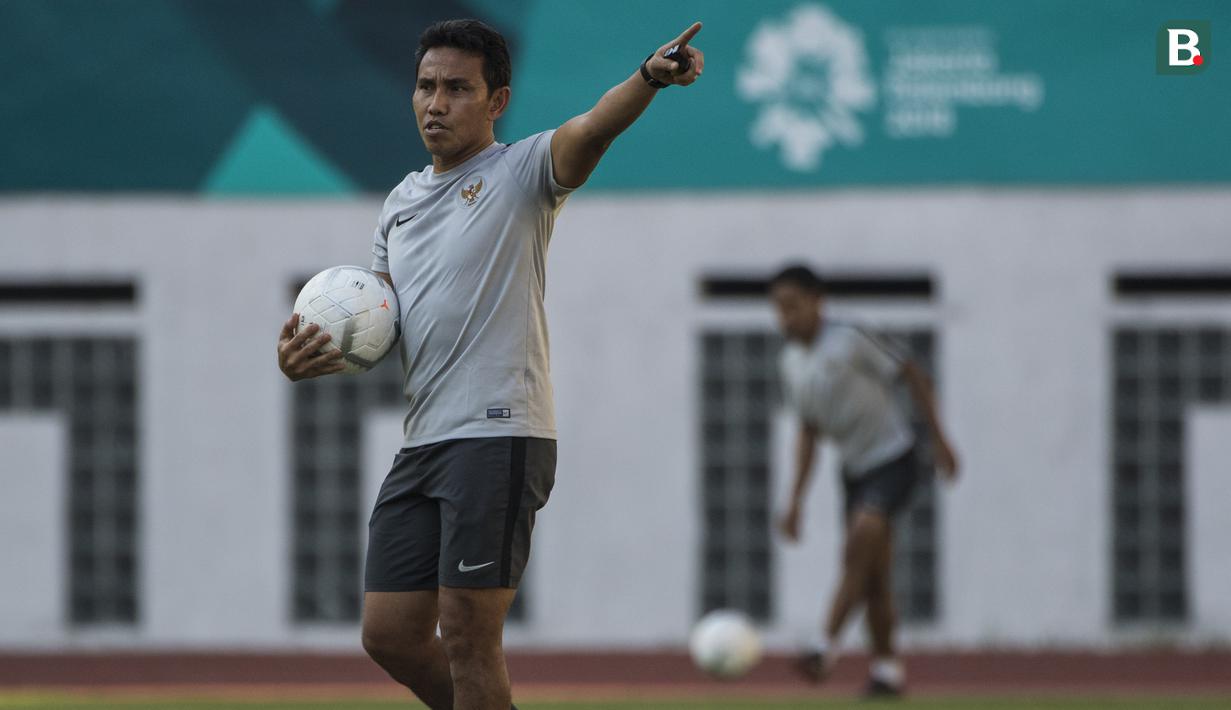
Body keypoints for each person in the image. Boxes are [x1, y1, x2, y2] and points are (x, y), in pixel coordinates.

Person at [276, 18, 705, 710]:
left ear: (495, 100)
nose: (434, 103)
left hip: (498, 434)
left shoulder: (522, 173)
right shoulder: (400, 204)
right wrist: (312, 354)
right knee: (388, 634)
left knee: (470, 636)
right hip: (424, 443)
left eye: (456, 88)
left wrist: (648, 77)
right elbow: (380, 322)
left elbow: (592, 129)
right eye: (424, 87)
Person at [770, 264, 959, 698]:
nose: (785, 319)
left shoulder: (850, 339)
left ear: (818, 302)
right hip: (853, 470)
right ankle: (888, 673)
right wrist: (795, 500)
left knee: (862, 540)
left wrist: (941, 440)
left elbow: (912, 373)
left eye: (793, 307)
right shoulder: (791, 363)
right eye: (778, 310)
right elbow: (809, 431)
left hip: (894, 458)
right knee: (873, 577)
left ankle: (824, 646)